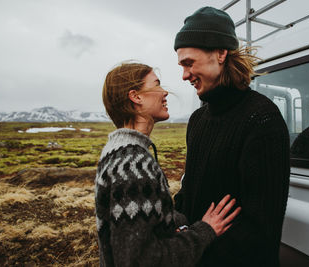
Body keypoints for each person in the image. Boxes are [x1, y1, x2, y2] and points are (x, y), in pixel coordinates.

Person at [173, 6, 290, 266]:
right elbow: (188, 192)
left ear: (221, 53)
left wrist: (197, 251)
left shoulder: (261, 119)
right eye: (181, 65)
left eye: (189, 63)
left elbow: (262, 229)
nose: (184, 75)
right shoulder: (198, 120)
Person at [95, 62, 241, 267]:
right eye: (156, 85)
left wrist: (176, 222)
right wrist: (205, 230)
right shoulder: (132, 165)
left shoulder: (116, 151)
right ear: (136, 96)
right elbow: (140, 261)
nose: (165, 92)